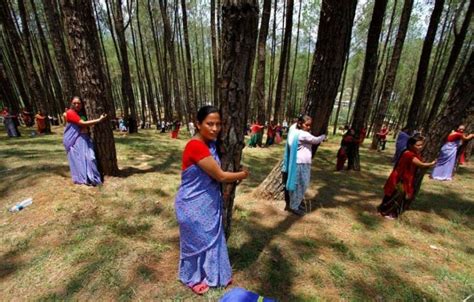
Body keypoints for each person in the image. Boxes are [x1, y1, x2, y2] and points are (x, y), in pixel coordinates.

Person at [175, 105, 249, 295]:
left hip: (207, 202)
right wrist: (243, 174)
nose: (215, 128)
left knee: (210, 238)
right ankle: (192, 278)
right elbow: (221, 176)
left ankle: (213, 273)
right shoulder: (195, 146)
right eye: (210, 124)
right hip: (192, 204)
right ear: (198, 124)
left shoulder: (211, 144)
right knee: (196, 241)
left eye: (218, 124)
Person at [378, 136, 436, 219]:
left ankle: (386, 211)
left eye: (421, 145)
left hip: (403, 177)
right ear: (411, 145)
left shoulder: (411, 152)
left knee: (396, 195)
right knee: (396, 195)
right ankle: (388, 212)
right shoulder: (408, 154)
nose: (420, 147)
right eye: (418, 145)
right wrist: (432, 163)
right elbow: (420, 164)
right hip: (400, 178)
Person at [282, 115, 325, 216]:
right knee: (300, 185)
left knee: (299, 184)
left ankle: (295, 203)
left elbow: (293, 126)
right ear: (300, 124)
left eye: (310, 125)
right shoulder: (303, 135)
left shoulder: (294, 132)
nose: (309, 127)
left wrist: (297, 124)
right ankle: (294, 206)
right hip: (300, 164)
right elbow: (316, 140)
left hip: (299, 163)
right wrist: (324, 136)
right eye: (307, 125)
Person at [63, 96, 107, 186]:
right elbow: (81, 123)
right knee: (81, 160)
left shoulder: (83, 113)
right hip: (77, 140)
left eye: (78, 103)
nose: (76, 105)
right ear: (71, 104)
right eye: (74, 103)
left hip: (86, 138)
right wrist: (99, 120)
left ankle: (93, 178)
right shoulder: (70, 112)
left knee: (91, 158)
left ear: (82, 104)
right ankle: (84, 179)